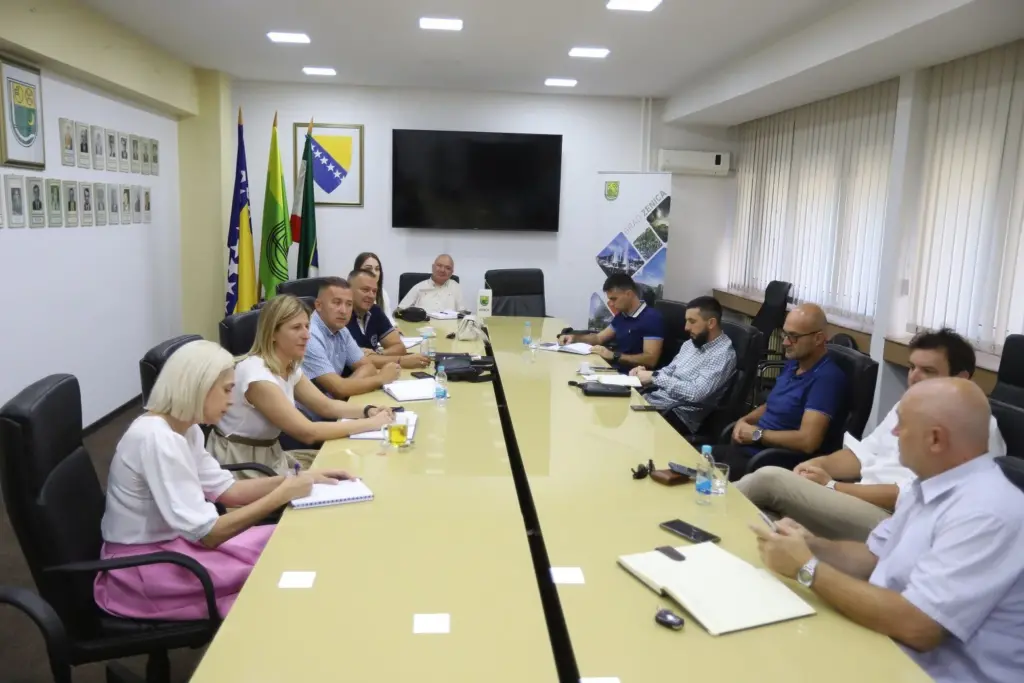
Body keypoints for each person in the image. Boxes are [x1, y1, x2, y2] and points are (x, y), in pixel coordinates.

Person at [752, 378, 1024, 683]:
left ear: (935, 439)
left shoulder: (987, 511)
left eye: (902, 424)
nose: (894, 433)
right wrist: (809, 545)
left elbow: (919, 626)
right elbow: (873, 557)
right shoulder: (927, 485)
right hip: (883, 649)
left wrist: (807, 568)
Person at [93, 340, 356, 620]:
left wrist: (301, 478)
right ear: (199, 387)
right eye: (227, 390)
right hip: (143, 571)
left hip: (175, 546)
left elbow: (228, 490)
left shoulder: (185, 429)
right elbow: (209, 534)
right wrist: (282, 494)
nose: (232, 401)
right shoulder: (157, 440)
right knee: (274, 574)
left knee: (288, 541)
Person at [738, 328, 1007, 540]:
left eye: (928, 371)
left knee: (769, 480)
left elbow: (910, 495)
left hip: (895, 518)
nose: (913, 377)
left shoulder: (975, 428)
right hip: (855, 496)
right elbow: (864, 454)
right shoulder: (908, 406)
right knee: (770, 518)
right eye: (912, 367)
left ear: (961, 378)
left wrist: (832, 486)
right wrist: (819, 465)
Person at [207, 295, 393, 477]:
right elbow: (307, 432)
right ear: (272, 333)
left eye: (307, 326)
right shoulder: (257, 377)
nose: (306, 335)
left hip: (270, 456)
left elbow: (326, 406)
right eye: (296, 328)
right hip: (241, 464)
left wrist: (368, 410)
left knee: (347, 465)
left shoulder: (288, 365)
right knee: (340, 472)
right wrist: (371, 424)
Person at [714, 303, 846, 481]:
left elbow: (808, 441)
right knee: (691, 461)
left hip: (769, 461)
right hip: (749, 450)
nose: (785, 342)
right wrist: (744, 421)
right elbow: (771, 404)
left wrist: (757, 435)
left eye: (794, 337)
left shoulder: (827, 379)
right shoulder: (794, 363)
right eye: (785, 334)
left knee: (702, 480)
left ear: (818, 338)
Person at [629, 296, 736, 432]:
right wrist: (643, 375)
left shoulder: (722, 355)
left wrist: (654, 377)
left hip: (678, 415)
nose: (686, 327)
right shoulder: (691, 343)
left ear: (711, 323)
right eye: (686, 321)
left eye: (692, 321)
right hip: (656, 402)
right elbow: (669, 371)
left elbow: (696, 393)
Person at [302, 277, 401, 399]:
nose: (343, 311)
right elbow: (339, 389)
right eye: (336, 303)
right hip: (308, 410)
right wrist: (381, 378)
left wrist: (346, 388)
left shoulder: (341, 330)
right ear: (319, 305)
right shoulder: (308, 336)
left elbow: (368, 366)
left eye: (349, 304)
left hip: (334, 405)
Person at [558, 274, 664, 371]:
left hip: (632, 377)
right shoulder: (622, 315)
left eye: (614, 299)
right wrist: (574, 338)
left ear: (629, 294)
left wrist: (614, 356)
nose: (611, 304)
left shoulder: (651, 318)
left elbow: (651, 360)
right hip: (613, 370)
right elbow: (599, 338)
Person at [348, 269, 431, 369]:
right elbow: (358, 360)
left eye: (374, 291)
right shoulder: (341, 317)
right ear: (349, 291)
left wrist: (377, 353)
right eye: (365, 290)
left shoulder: (374, 311)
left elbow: (399, 347)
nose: (371, 295)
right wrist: (401, 361)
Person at [397, 254, 464, 312]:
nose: (442, 270)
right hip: (423, 323)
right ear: (433, 267)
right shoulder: (419, 287)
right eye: (439, 265)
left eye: (447, 268)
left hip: (449, 323)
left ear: (452, 272)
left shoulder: (455, 287)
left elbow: (463, 313)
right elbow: (399, 311)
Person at [354, 251, 396, 324]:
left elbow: (388, 318)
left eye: (377, 269)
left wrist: (394, 327)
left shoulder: (382, 293)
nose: (374, 273)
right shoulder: (350, 293)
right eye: (368, 269)